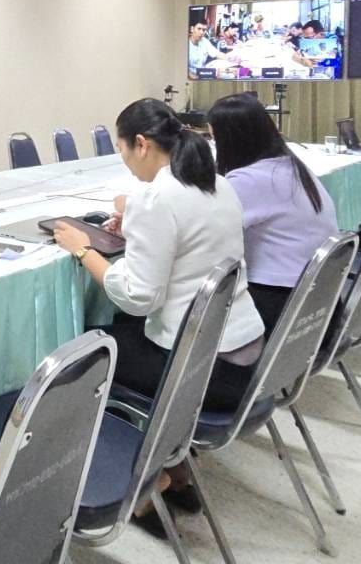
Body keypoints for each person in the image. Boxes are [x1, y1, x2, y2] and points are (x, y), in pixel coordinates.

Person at [50, 97, 265, 521]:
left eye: (123, 151)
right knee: (122, 330)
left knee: (85, 351)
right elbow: (186, 244)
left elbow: (138, 295)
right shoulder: (217, 183)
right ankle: (177, 468)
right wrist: (135, 225)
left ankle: (144, 481)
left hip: (203, 369)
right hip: (243, 354)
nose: (126, 163)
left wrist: (83, 250)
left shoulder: (156, 197)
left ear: (142, 144)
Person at [207, 92, 339, 334]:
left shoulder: (249, 180)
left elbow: (203, 231)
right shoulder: (290, 165)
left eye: (214, 138)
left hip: (283, 307)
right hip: (320, 302)